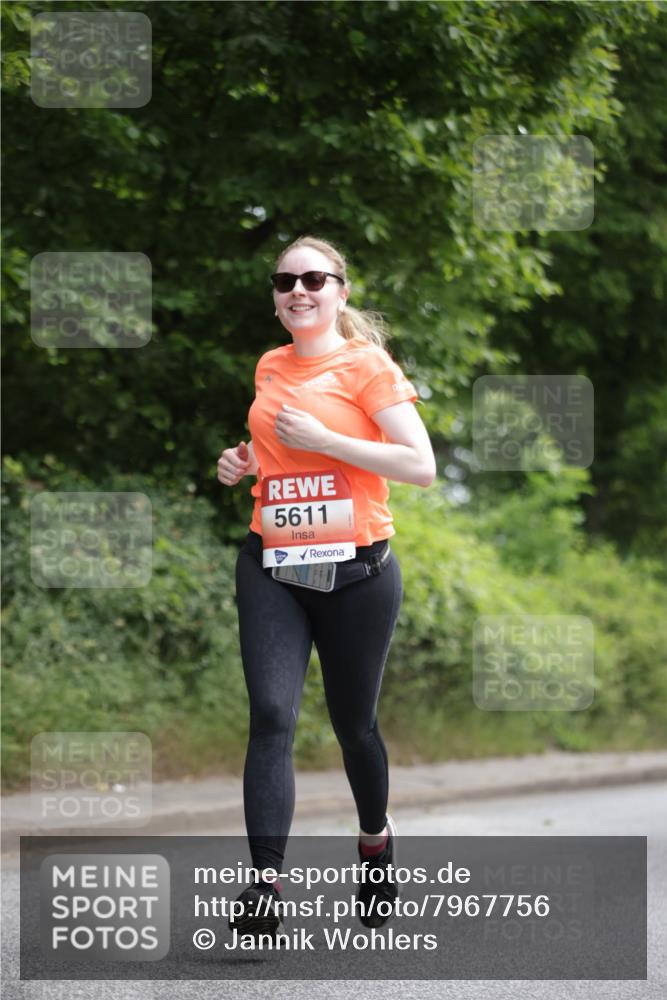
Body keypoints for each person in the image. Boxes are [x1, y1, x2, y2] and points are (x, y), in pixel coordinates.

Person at [216, 235, 436, 937]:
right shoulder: (270, 364)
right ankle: (264, 883)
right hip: (273, 566)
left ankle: (373, 837)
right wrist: (246, 463)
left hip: (357, 574)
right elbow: (281, 452)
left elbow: (419, 465)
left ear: (340, 291)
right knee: (273, 715)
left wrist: (327, 440)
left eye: (314, 278)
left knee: (354, 726)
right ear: (276, 298)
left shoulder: (369, 367)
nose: (297, 290)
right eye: (285, 281)